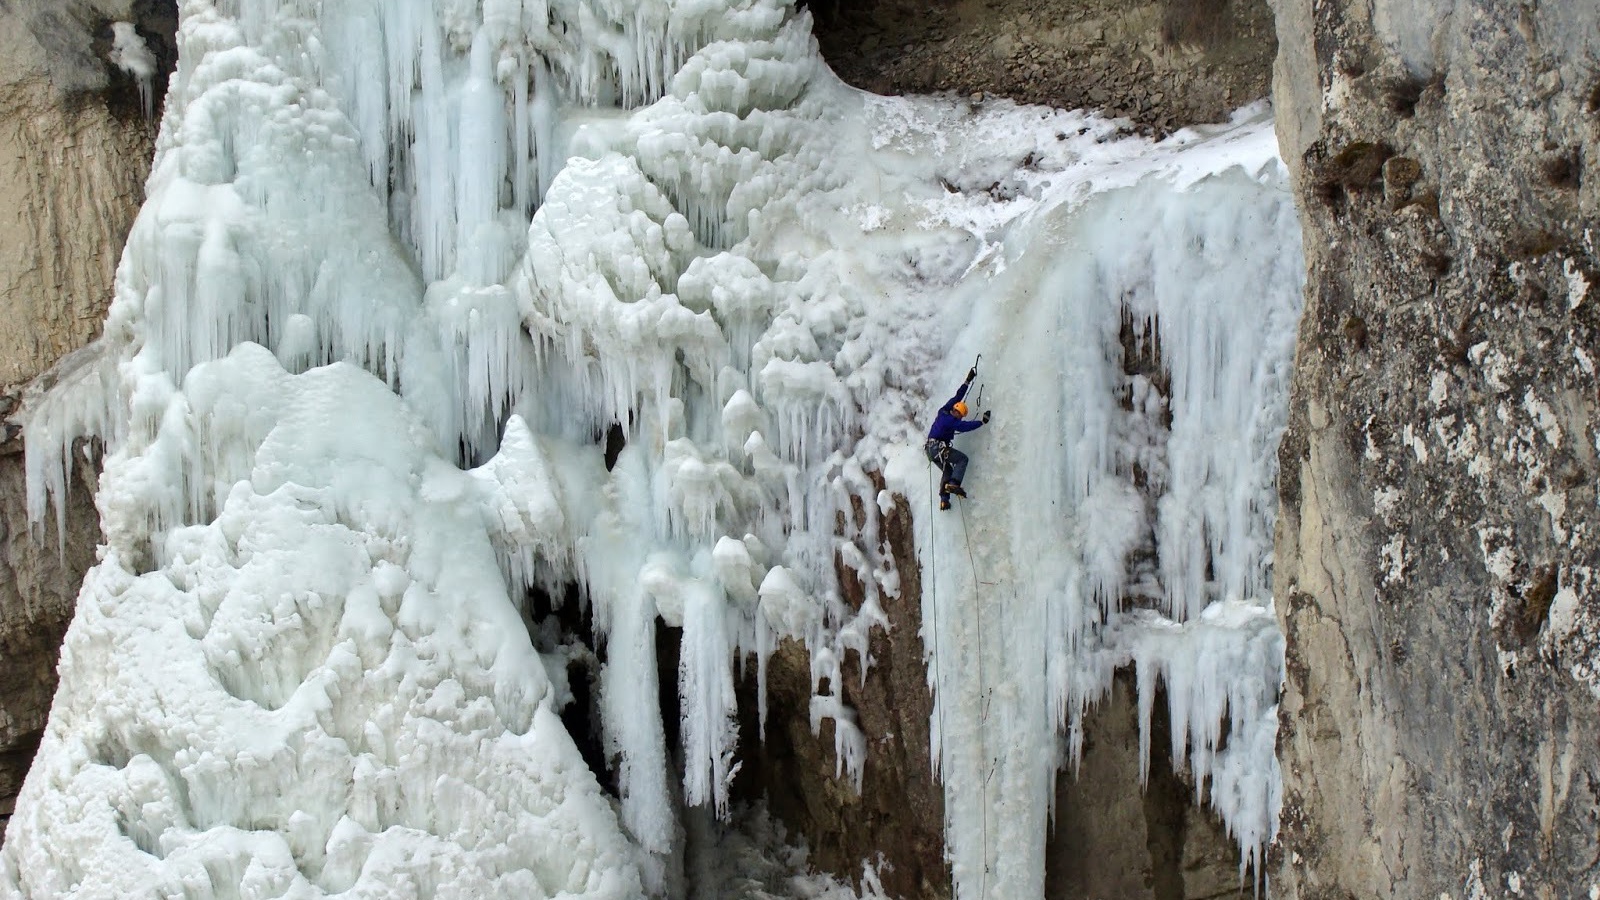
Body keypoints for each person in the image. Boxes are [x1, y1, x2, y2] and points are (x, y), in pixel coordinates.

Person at [925, 366, 991, 510]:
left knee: (947, 470)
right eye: (960, 415)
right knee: (962, 459)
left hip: (931, 451)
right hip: (937, 448)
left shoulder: (944, 411)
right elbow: (965, 426)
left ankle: (944, 500)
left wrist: (967, 381)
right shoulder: (952, 421)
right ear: (958, 413)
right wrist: (982, 422)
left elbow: (957, 396)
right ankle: (954, 483)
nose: (959, 417)